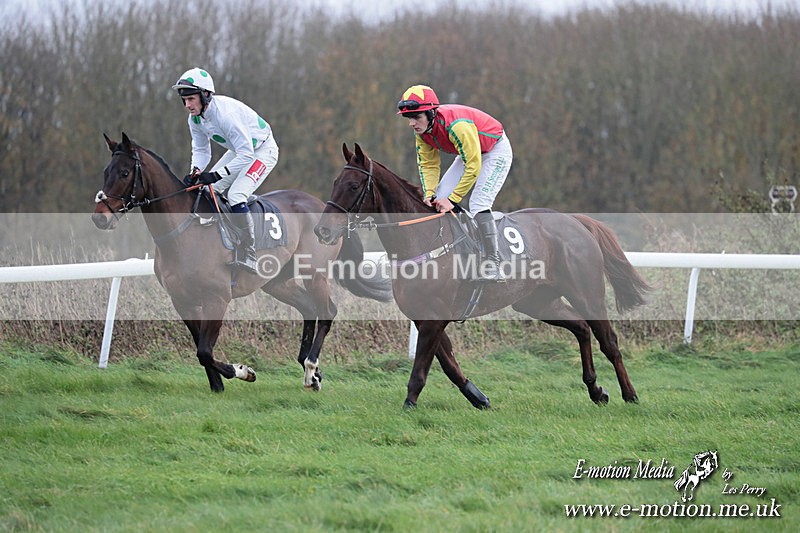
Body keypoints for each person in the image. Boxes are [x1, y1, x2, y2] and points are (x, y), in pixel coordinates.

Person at [396, 84, 513, 281]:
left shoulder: (457, 125)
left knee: (479, 203)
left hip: (494, 151)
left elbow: (473, 166)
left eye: (417, 117)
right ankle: (464, 249)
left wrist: (454, 199)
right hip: (469, 154)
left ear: (432, 113)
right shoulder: (422, 133)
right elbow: (429, 164)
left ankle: (494, 263)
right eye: (409, 118)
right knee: (438, 199)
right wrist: (430, 193)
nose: (412, 123)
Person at [172, 67, 279, 275]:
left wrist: (216, 174)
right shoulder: (195, 119)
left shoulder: (225, 115)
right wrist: (196, 171)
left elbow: (247, 154)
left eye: (191, 99)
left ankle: (249, 253)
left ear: (205, 95)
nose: (187, 105)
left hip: (262, 150)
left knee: (236, 195)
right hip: (240, 150)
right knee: (205, 189)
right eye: (184, 100)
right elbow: (202, 150)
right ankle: (220, 241)